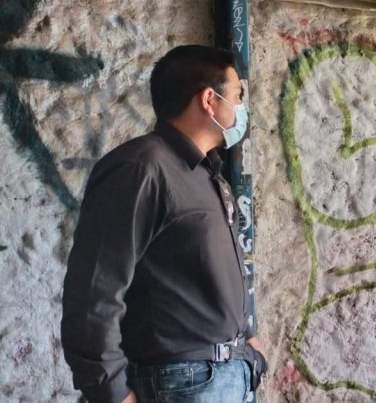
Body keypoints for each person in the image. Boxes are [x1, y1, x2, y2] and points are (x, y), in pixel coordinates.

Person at [61, 45, 266, 403]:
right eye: (237, 96)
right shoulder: (141, 169)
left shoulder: (207, 174)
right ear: (209, 100)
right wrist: (111, 391)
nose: (241, 107)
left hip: (226, 376)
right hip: (181, 384)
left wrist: (248, 341)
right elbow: (95, 290)